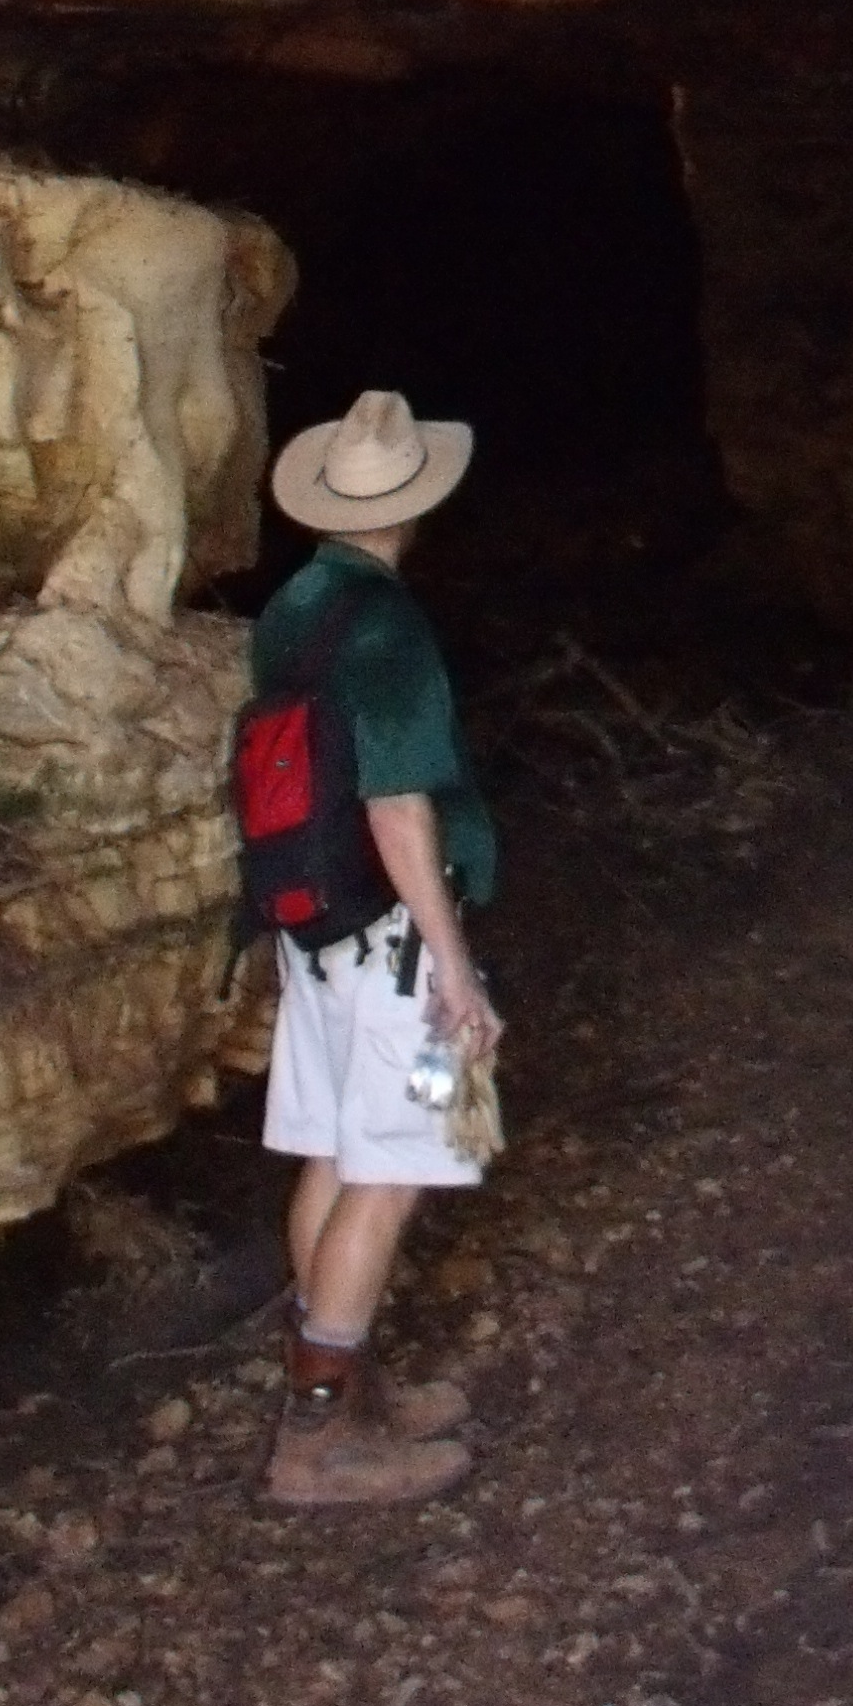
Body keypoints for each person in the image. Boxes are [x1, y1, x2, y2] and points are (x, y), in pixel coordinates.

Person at [251, 387, 504, 1510]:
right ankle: (317, 1442)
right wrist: (454, 969)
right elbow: (401, 808)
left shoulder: (295, 606)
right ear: (419, 502)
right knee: (393, 1174)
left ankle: (339, 1386)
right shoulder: (390, 626)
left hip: (315, 932)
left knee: (335, 1158)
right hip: (392, 939)